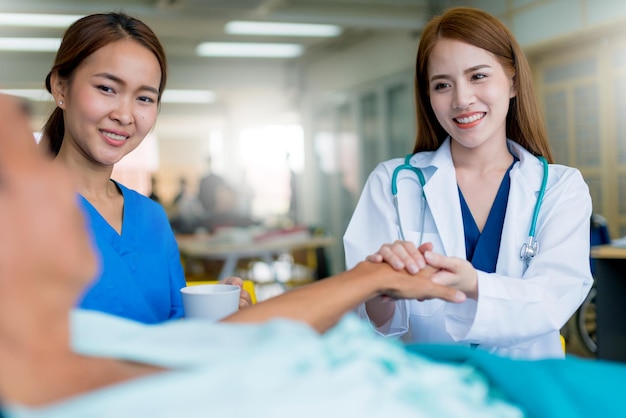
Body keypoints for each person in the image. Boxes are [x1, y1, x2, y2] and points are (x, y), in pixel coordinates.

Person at [1, 93, 625, 418]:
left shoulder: (79, 342)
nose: (53, 168)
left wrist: (368, 278)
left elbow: (233, 337)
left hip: (488, 381)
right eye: (19, 166)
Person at [343, 7, 594, 360]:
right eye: (442, 85)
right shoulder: (393, 184)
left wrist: (472, 285)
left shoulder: (560, 188)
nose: (461, 99)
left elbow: (553, 301)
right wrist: (377, 292)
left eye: (478, 76)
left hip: (526, 393)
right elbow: (372, 323)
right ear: (428, 97)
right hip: (430, 395)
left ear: (513, 81)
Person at [40, 12, 250, 324]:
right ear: (61, 88)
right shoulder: (16, 211)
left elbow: (174, 327)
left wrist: (213, 314)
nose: (125, 115)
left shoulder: (151, 218)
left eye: (144, 98)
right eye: (107, 88)